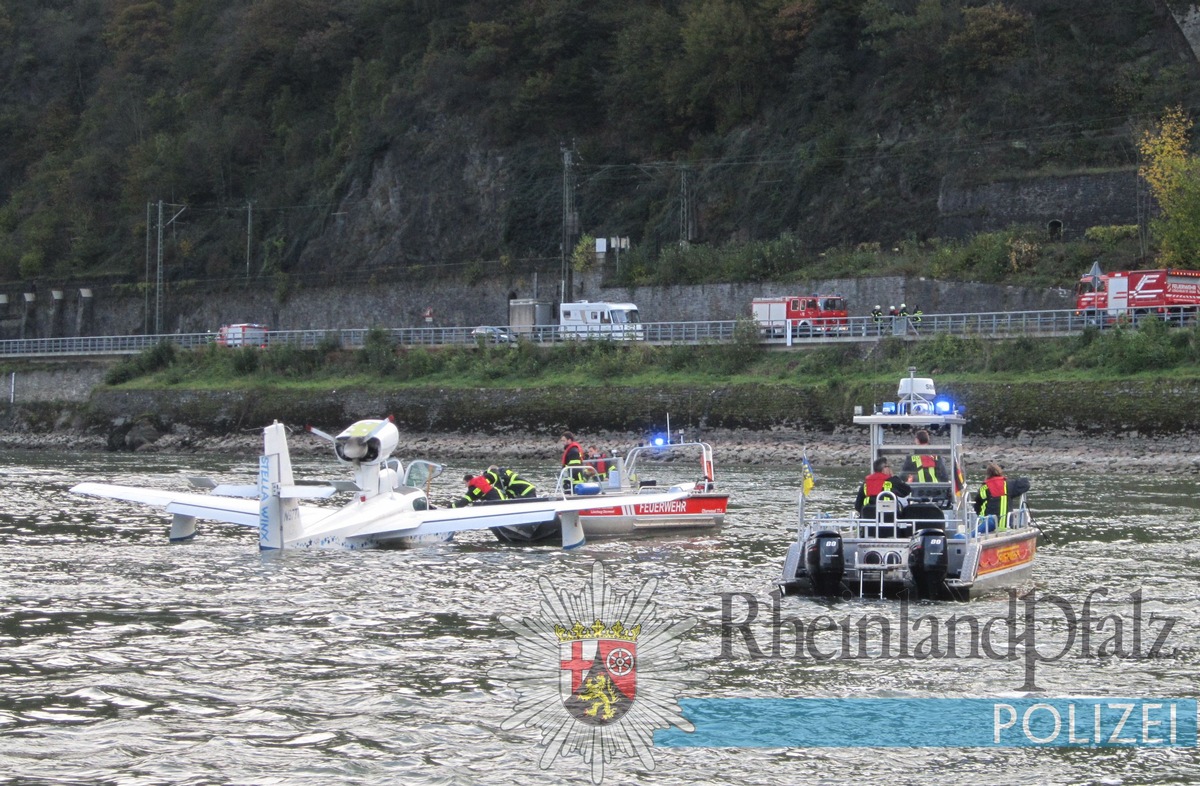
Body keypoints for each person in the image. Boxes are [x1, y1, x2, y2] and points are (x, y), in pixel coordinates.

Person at [972, 463, 1031, 532]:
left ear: (987, 474)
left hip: (987, 527)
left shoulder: (984, 488)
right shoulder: (1008, 484)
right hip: (1006, 526)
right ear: (1000, 472)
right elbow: (1025, 484)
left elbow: (977, 506)